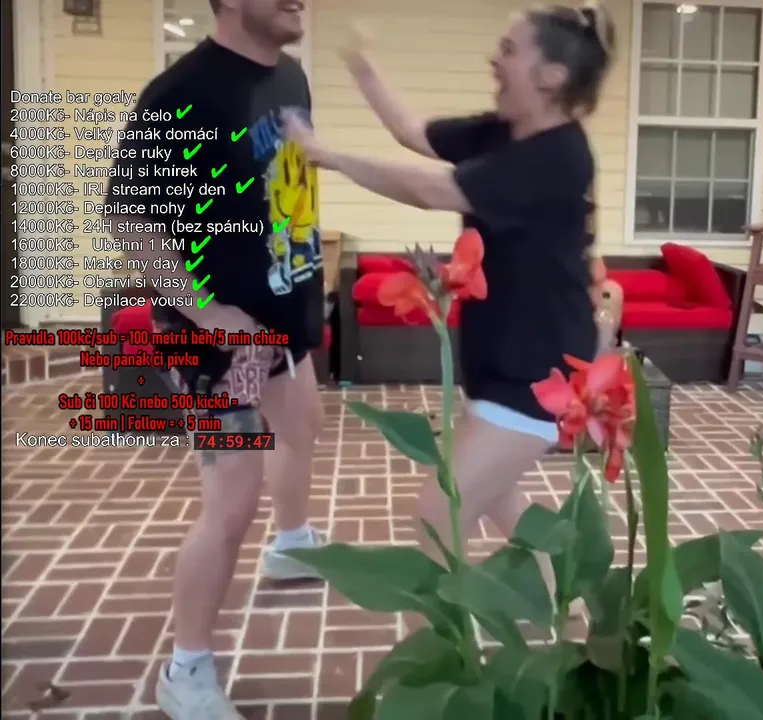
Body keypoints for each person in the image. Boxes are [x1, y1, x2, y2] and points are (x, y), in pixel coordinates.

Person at [281, 6, 613, 599]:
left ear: (552, 76)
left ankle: (439, 650)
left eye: (510, 49)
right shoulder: (504, 133)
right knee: (502, 504)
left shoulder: (559, 156)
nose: (495, 59)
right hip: (500, 364)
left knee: (439, 518)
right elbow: (413, 133)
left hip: (539, 374)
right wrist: (363, 67)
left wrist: (326, 155)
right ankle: (566, 622)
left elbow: (435, 189)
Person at [103, 0, 327, 716]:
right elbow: (129, 222)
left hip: (279, 315)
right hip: (214, 337)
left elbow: (286, 186)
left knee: (304, 423)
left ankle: (290, 544)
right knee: (234, 496)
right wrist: (205, 312)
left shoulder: (291, 76)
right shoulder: (180, 94)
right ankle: (186, 670)